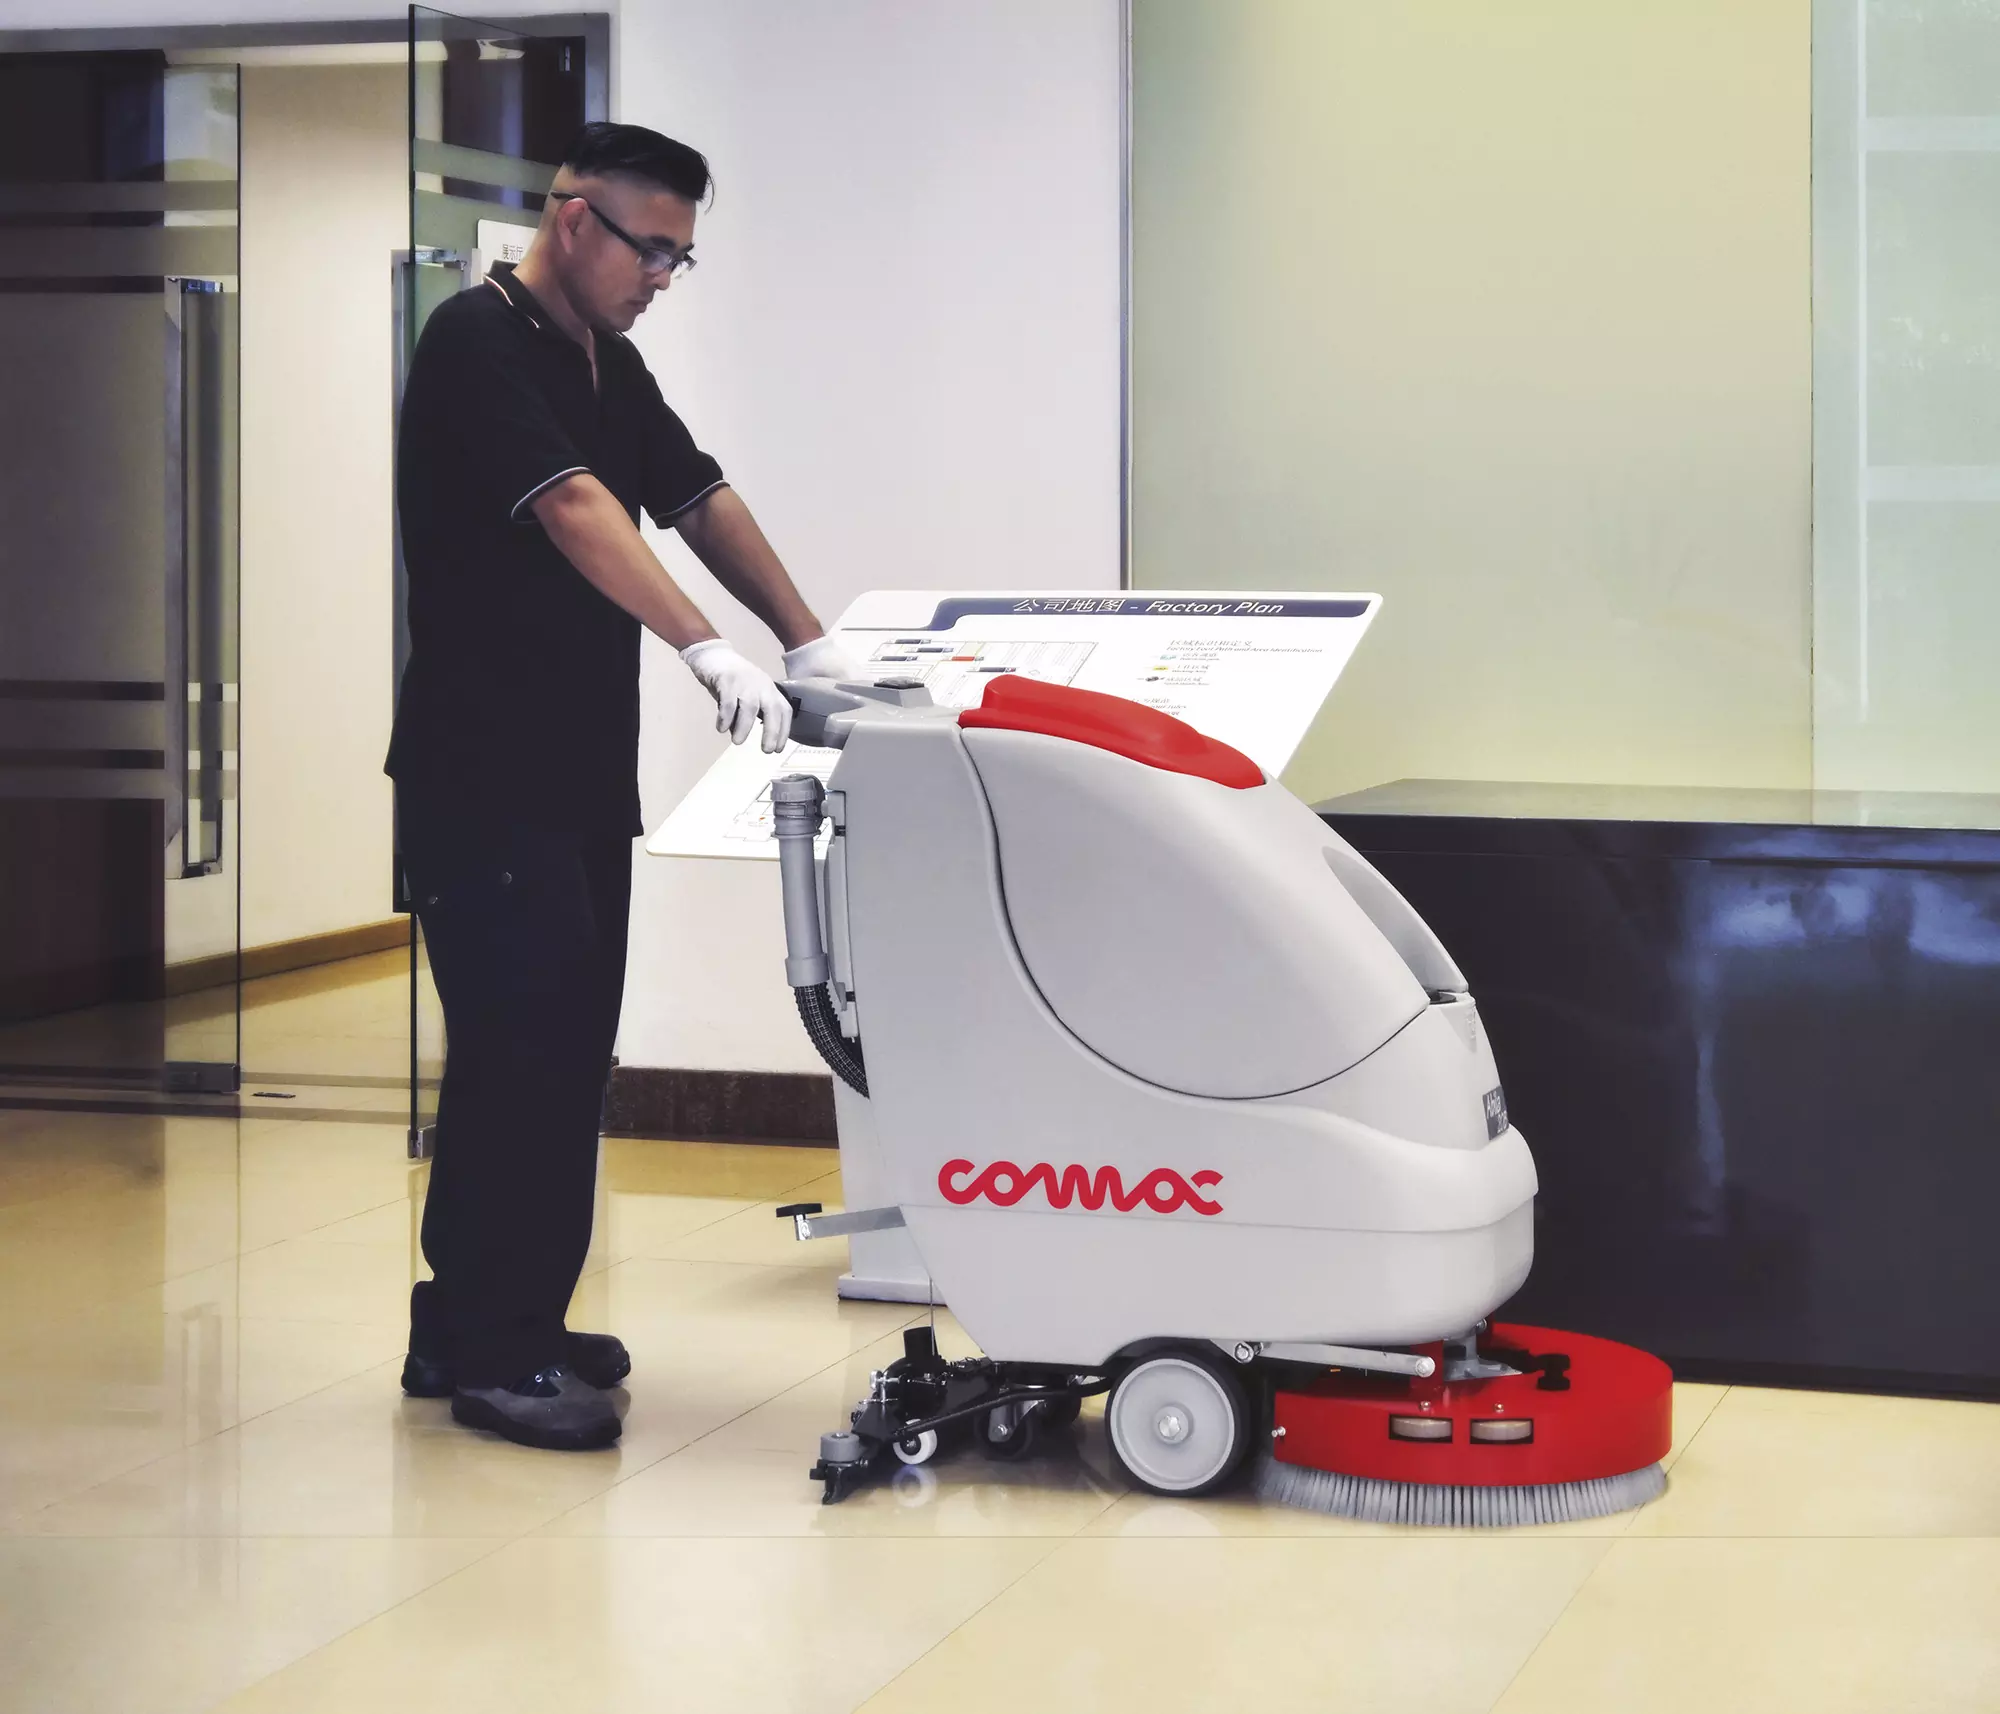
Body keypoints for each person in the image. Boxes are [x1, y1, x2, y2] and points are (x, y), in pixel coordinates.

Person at [387, 121, 856, 1450]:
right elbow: (576, 505)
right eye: (650, 247)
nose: (661, 275)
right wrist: (703, 646)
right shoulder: (475, 342)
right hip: (484, 774)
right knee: (523, 1050)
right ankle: (501, 1354)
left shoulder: (608, 359)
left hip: (578, 773)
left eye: (679, 257)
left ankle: (474, 1318)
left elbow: (694, 495)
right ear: (573, 216)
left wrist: (806, 639)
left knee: (553, 1049)